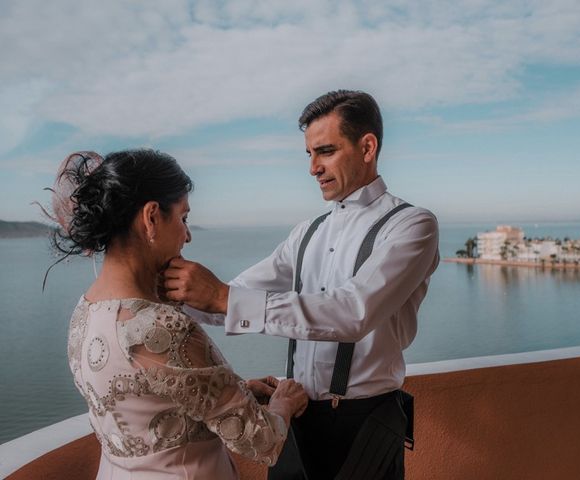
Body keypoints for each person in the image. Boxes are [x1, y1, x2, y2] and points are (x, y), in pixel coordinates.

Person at [163, 90, 440, 479]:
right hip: (293, 416)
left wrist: (223, 297)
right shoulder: (306, 232)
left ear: (367, 147)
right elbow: (230, 296)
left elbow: (353, 312)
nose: (313, 167)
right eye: (309, 154)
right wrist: (160, 298)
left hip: (365, 420)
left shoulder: (412, 226)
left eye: (325, 151)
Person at [51, 149, 307, 479]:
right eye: (183, 218)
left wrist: (235, 388)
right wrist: (283, 402)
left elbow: (145, 393)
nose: (187, 235)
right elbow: (261, 441)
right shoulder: (163, 327)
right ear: (152, 217)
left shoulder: (84, 310)